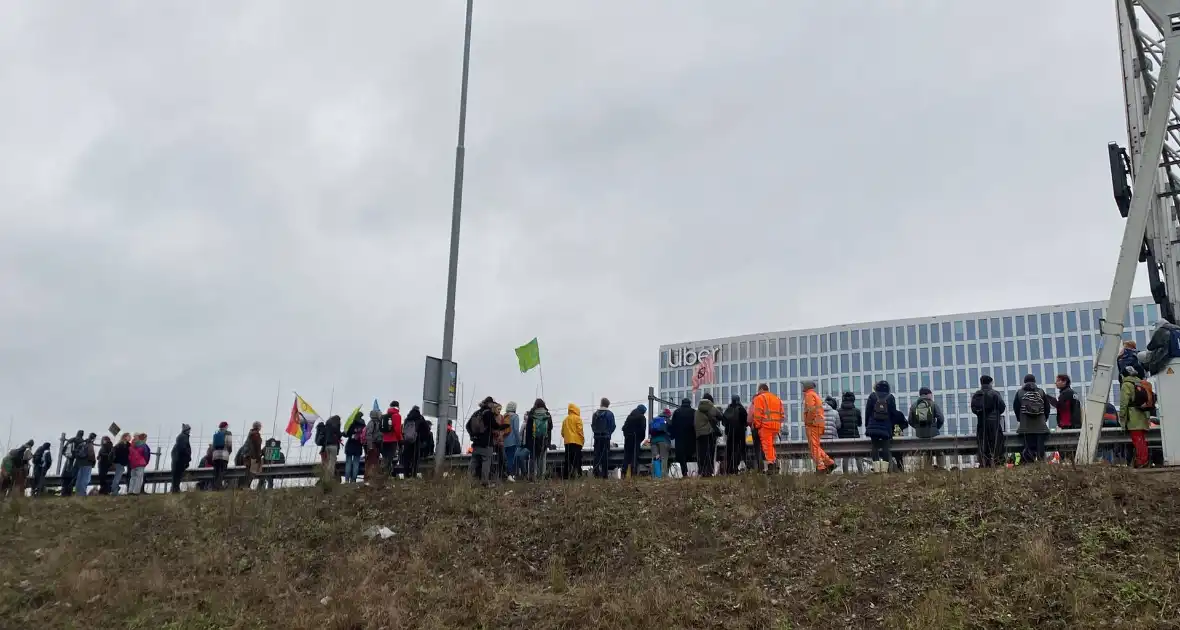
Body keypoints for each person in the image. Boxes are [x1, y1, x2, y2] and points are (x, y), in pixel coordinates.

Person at [864, 381, 904, 473]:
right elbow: (893, 413)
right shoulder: (890, 397)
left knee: (874, 447)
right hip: (886, 426)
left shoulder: (872, 396)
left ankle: (877, 470)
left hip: (873, 425)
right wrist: (892, 426)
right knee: (886, 447)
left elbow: (868, 412)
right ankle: (884, 470)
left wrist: (867, 425)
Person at [1119, 364, 1154, 467]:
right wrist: (1147, 417)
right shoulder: (1142, 383)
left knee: (1137, 440)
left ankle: (1142, 461)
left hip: (1133, 416)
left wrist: (1122, 417)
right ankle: (1144, 460)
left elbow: (1123, 403)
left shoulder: (1126, 384)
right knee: (1141, 440)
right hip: (1143, 415)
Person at [1012, 375, 1053, 464]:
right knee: (1040, 446)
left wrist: (1020, 419)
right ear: (1035, 381)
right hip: (1040, 426)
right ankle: (1041, 463)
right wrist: (1044, 418)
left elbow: (1016, 407)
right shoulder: (1041, 392)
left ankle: (1029, 464)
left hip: (1026, 426)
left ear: (1024, 381)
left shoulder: (1019, 393)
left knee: (1028, 447)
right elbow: (1047, 407)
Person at [970, 375, 1007, 467]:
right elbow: (1002, 407)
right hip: (994, 423)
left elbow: (973, 409)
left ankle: (984, 464)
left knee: (983, 444)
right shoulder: (995, 393)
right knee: (996, 444)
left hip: (981, 424)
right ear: (990, 383)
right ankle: (996, 463)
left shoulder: (976, 394)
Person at [468, 397, 504, 485]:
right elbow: (494, 425)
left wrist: (472, 435)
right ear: (490, 404)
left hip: (476, 442)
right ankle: (484, 482)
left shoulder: (476, 413)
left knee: (474, 461)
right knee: (486, 461)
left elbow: (467, 425)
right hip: (486, 443)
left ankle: (468, 480)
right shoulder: (488, 413)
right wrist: (502, 426)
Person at [908, 387, 946, 469]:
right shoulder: (933, 404)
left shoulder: (914, 405)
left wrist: (917, 428)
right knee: (939, 450)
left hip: (920, 434)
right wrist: (936, 428)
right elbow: (941, 418)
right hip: (933, 433)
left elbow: (910, 421)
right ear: (928, 394)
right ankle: (941, 467)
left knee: (926, 451)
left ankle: (928, 468)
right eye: (931, 394)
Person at [750, 384, 784, 474]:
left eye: (758, 390)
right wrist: (778, 423)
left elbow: (757, 414)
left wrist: (757, 425)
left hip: (765, 426)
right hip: (776, 426)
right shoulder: (777, 398)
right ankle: (773, 463)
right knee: (771, 446)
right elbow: (782, 414)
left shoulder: (759, 398)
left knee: (767, 446)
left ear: (761, 389)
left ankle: (771, 466)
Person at [802, 382, 835, 474]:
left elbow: (811, 410)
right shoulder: (815, 395)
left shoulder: (809, 395)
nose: (802, 387)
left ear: (807, 387)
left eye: (803, 385)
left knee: (814, 447)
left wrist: (808, 421)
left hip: (813, 424)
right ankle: (829, 463)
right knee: (816, 446)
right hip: (818, 424)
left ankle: (821, 467)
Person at [835, 391, 864, 473]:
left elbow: (838, 425)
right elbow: (859, 424)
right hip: (855, 436)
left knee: (845, 456)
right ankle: (861, 473)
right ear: (853, 400)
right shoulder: (857, 411)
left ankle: (846, 474)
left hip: (843, 437)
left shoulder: (838, 411)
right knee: (858, 456)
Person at [694, 394, 722, 478]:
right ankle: (709, 471)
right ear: (710, 401)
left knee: (701, 453)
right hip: (709, 433)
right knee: (710, 453)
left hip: (699, 435)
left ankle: (701, 471)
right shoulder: (712, 408)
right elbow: (720, 416)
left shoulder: (697, 411)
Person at [525, 399, 552, 481]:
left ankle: (533, 476)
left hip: (533, 440)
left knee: (533, 458)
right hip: (544, 440)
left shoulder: (532, 414)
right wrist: (548, 442)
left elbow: (528, 429)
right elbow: (550, 427)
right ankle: (542, 476)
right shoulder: (547, 414)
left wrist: (527, 442)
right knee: (542, 458)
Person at [590, 398, 616, 479]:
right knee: (605, 456)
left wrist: (596, 433)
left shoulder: (595, 414)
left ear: (601, 403)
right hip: (606, 438)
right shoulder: (610, 414)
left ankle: (596, 474)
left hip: (597, 438)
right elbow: (613, 426)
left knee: (596, 456)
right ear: (608, 405)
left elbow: (593, 426)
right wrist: (609, 433)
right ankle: (604, 475)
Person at [670, 398, 696, 477]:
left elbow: (673, 425)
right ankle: (691, 472)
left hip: (679, 437)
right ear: (689, 403)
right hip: (691, 437)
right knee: (690, 454)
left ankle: (684, 472)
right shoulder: (693, 412)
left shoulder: (677, 412)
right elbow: (695, 424)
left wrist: (673, 435)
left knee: (681, 455)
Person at [722, 395, 748, 475]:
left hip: (730, 434)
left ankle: (729, 469)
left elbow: (723, 422)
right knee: (739, 450)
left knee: (730, 451)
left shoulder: (728, 410)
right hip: (740, 434)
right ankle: (736, 467)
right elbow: (745, 422)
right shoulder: (742, 410)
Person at [402, 406, 428, 479]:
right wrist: (423, 439)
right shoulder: (420, 418)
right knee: (415, 458)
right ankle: (413, 475)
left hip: (407, 441)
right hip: (416, 440)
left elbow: (403, 429)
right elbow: (426, 429)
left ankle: (406, 475)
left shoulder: (407, 419)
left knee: (406, 458)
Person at [622, 405, 647, 478]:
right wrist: (640, 439)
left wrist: (626, 436)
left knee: (626, 456)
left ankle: (623, 473)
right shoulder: (642, 417)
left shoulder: (629, 417)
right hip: (636, 439)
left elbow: (624, 428)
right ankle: (633, 474)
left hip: (628, 439)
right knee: (634, 456)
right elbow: (643, 429)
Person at [561, 403, 584, 480]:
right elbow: (580, 431)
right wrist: (582, 440)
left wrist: (567, 437)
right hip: (577, 442)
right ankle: (578, 475)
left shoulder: (565, 420)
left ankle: (566, 476)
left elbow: (562, 433)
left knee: (567, 460)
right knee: (577, 460)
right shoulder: (578, 419)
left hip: (567, 442)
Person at [59, 430, 84, 497]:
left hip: (69, 461)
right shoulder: (82, 442)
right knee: (72, 478)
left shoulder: (71, 440)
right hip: (77, 462)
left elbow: (63, 451)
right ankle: (69, 494)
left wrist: (69, 456)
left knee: (65, 477)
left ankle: (63, 493)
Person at [73, 433, 97, 497]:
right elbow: (91, 454)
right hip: (88, 464)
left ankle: (77, 493)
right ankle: (82, 493)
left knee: (79, 478)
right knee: (85, 479)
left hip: (81, 463)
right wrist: (93, 462)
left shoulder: (82, 443)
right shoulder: (90, 444)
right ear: (94, 438)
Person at [650, 408, 672, 478]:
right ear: (668, 415)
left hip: (653, 441)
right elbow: (672, 431)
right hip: (663, 441)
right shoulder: (668, 420)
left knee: (655, 458)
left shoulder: (654, 419)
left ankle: (655, 476)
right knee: (663, 458)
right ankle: (663, 476)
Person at [211, 422, 233, 490]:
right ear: (226, 426)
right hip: (224, 455)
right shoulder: (228, 433)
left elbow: (213, 446)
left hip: (215, 455)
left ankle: (215, 487)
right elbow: (229, 444)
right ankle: (219, 486)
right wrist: (229, 452)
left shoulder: (216, 434)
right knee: (222, 470)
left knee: (216, 471)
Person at [503, 401, 522, 481]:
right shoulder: (515, 417)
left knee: (506, 458)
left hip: (504, 441)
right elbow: (516, 430)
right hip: (512, 441)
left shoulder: (504, 416)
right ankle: (510, 475)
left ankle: (505, 474)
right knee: (511, 458)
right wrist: (519, 441)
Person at [170, 424, 192, 493]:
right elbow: (183, 449)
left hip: (177, 459)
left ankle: (175, 489)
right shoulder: (183, 437)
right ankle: (175, 490)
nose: (189, 431)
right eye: (189, 430)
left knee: (176, 475)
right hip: (179, 459)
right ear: (186, 430)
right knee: (177, 475)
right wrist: (188, 457)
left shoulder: (181, 437)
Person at [383, 401, 403, 477]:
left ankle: (383, 474)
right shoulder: (397, 416)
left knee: (385, 459)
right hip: (392, 440)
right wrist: (400, 439)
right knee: (390, 459)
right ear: (397, 406)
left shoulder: (385, 416)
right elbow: (397, 430)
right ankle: (388, 475)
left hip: (384, 440)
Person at [364, 409, 384, 485]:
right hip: (373, 445)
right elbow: (368, 435)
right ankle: (368, 479)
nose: (380, 415)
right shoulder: (372, 423)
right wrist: (370, 446)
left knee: (374, 462)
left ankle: (372, 478)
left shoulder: (377, 422)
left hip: (376, 445)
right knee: (372, 462)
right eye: (379, 413)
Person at [489, 402, 507, 481]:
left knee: (502, 457)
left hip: (500, 441)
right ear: (494, 409)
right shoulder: (491, 417)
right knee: (491, 458)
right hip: (493, 441)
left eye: (500, 409)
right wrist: (495, 433)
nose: (499, 411)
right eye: (498, 409)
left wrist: (501, 434)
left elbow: (503, 428)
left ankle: (501, 474)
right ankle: (492, 475)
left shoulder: (501, 417)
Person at [344, 417, 365, 483]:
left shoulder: (351, 424)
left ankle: (347, 480)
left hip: (350, 446)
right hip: (358, 447)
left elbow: (346, 434)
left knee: (348, 463)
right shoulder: (363, 426)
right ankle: (353, 480)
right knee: (356, 464)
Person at [245, 421, 264, 487]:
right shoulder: (256, 434)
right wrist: (258, 457)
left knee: (249, 472)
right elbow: (257, 446)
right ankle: (248, 486)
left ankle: (246, 486)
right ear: (258, 427)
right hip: (253, 456)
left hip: (247, 455)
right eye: (260, 426)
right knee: (253, 471)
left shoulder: (250, 433)